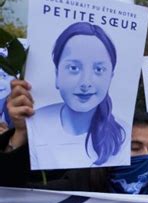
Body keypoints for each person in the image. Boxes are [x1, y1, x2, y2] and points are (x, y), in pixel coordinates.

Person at [1, 78, 148, 198]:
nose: (146, 157)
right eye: (134, 147)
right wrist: (21, 135)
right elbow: (9, 194)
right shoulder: (72, 188)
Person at [27, 22, 128, 169]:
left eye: (99, 69)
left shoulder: (124, 136)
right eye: (74, 68)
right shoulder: (32, 124)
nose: (85, 82)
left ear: (111, 76)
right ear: (57, 73)